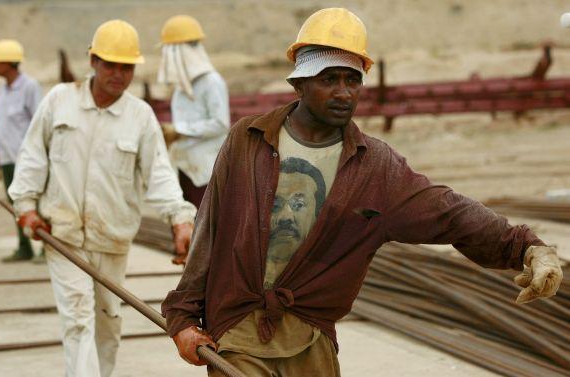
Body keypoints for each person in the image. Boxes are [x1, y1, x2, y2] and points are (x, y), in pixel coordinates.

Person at [161, 8, 563, 376]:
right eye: (329, 79)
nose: (343, 92)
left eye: (352, 80)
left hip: (310, 340)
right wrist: (182, 319)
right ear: (299, 83)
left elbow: (447, 211)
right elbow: (209, 230)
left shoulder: (375, 167)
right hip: (238, 335)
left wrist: (527, 247)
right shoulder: (247, 141)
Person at [8, 20, 196, 377]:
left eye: (126, 67)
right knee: (78, 319)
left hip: (111, 239)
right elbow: (32, 155)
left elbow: (159, 173)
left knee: (108, 320)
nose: (119, 74)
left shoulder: (139, 117)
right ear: (92, 60)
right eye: (110, 64)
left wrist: (180, 217)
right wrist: (26, 206)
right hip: (62, 235)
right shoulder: (59, 101)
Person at [157, 15, 230, 221]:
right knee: (187, 225)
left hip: (206, 174)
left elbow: (220, 123)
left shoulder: (211, 82)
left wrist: (179, 130)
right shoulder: (181, 88)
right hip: (185, 170)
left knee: (207, 228)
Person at [0, 39, 43, 263]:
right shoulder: (2, 90)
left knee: (37, 203)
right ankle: (24, 247)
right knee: (15, 204)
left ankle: (46, 249)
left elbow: (39, 121)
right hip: (7, 158)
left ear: (9, 63)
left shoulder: (30, 87)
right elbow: (3, 125)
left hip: (27, 159)